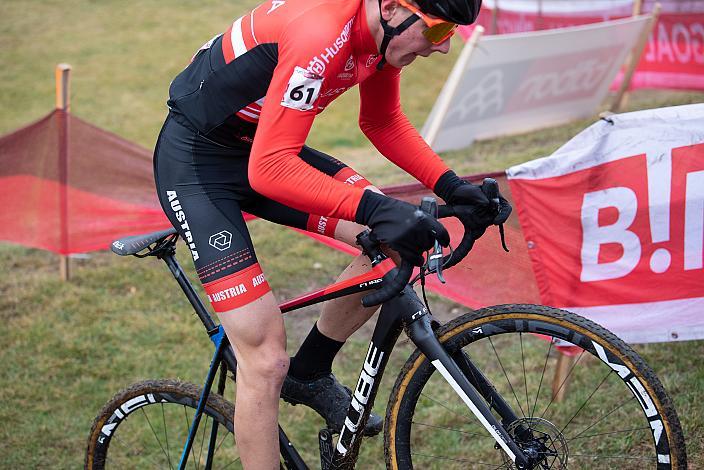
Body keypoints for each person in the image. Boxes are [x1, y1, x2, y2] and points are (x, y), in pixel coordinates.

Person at [154, 0, 510, 466]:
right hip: (199, 167)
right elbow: (269, 168)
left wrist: (452, 186)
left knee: (396, 242)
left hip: (265, 150)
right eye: (439, 28)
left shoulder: (377, 34)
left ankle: (312, 368)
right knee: (263, 359)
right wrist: (378, 207)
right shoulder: (322, 33)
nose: (442, 48)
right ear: (392, 7)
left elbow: (381, 121)